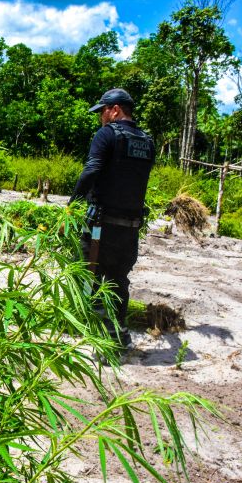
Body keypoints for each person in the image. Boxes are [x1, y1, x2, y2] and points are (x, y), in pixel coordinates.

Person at [69, 88, 155, 357]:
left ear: (115, 110)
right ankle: (119, 337)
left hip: (101, 225)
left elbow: (92, 169)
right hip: (130, 227)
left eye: (102, 112)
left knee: (91, 277)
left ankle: (104, 342)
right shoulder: (147, 142)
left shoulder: (107, 134)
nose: (100, 118)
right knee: (119, 280)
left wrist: (71, 204)